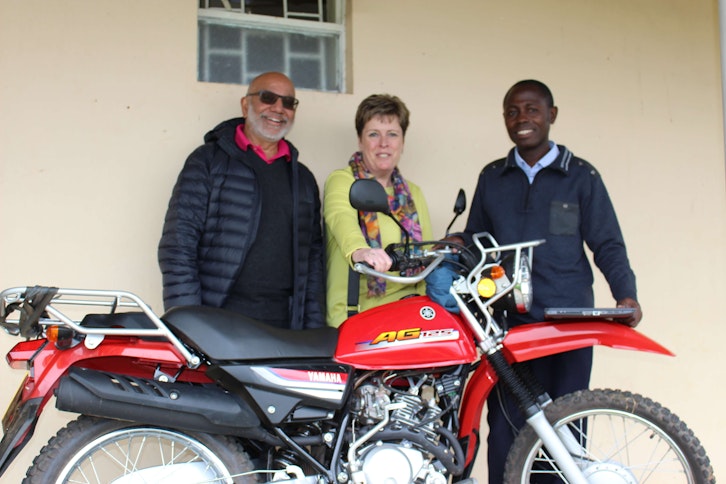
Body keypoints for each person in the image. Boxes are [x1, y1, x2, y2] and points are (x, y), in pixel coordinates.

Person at [461, 80, 642, 482]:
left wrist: (625, 293)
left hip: (568, 326)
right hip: (510, 330)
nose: (522, 119)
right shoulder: (492, 177)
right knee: (507, 434)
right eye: (512, 111)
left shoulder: (581, 177)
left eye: (532, 109)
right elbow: (475, 243)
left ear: (551, 115)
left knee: (565, 434)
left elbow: (607, 242)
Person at [158, 71, 325, 330]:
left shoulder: (303, 179)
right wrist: (189, 321)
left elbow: (313, 262)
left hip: (285, 329)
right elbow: (178, 245)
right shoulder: (207, 161)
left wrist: (313, 330)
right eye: (268, 97)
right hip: (218, 323)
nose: (278, 108)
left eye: (288, 102)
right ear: (246, 105)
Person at [324, 94, 433, 327]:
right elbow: (341, 218)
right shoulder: (343, 181)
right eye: (374, 134)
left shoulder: (414, 193)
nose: (384, 143)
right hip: (355, 318)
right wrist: (361, 251)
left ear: (402, 141)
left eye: (392, 134)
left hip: (407, 318)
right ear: (360, 140)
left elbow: (428, 255)